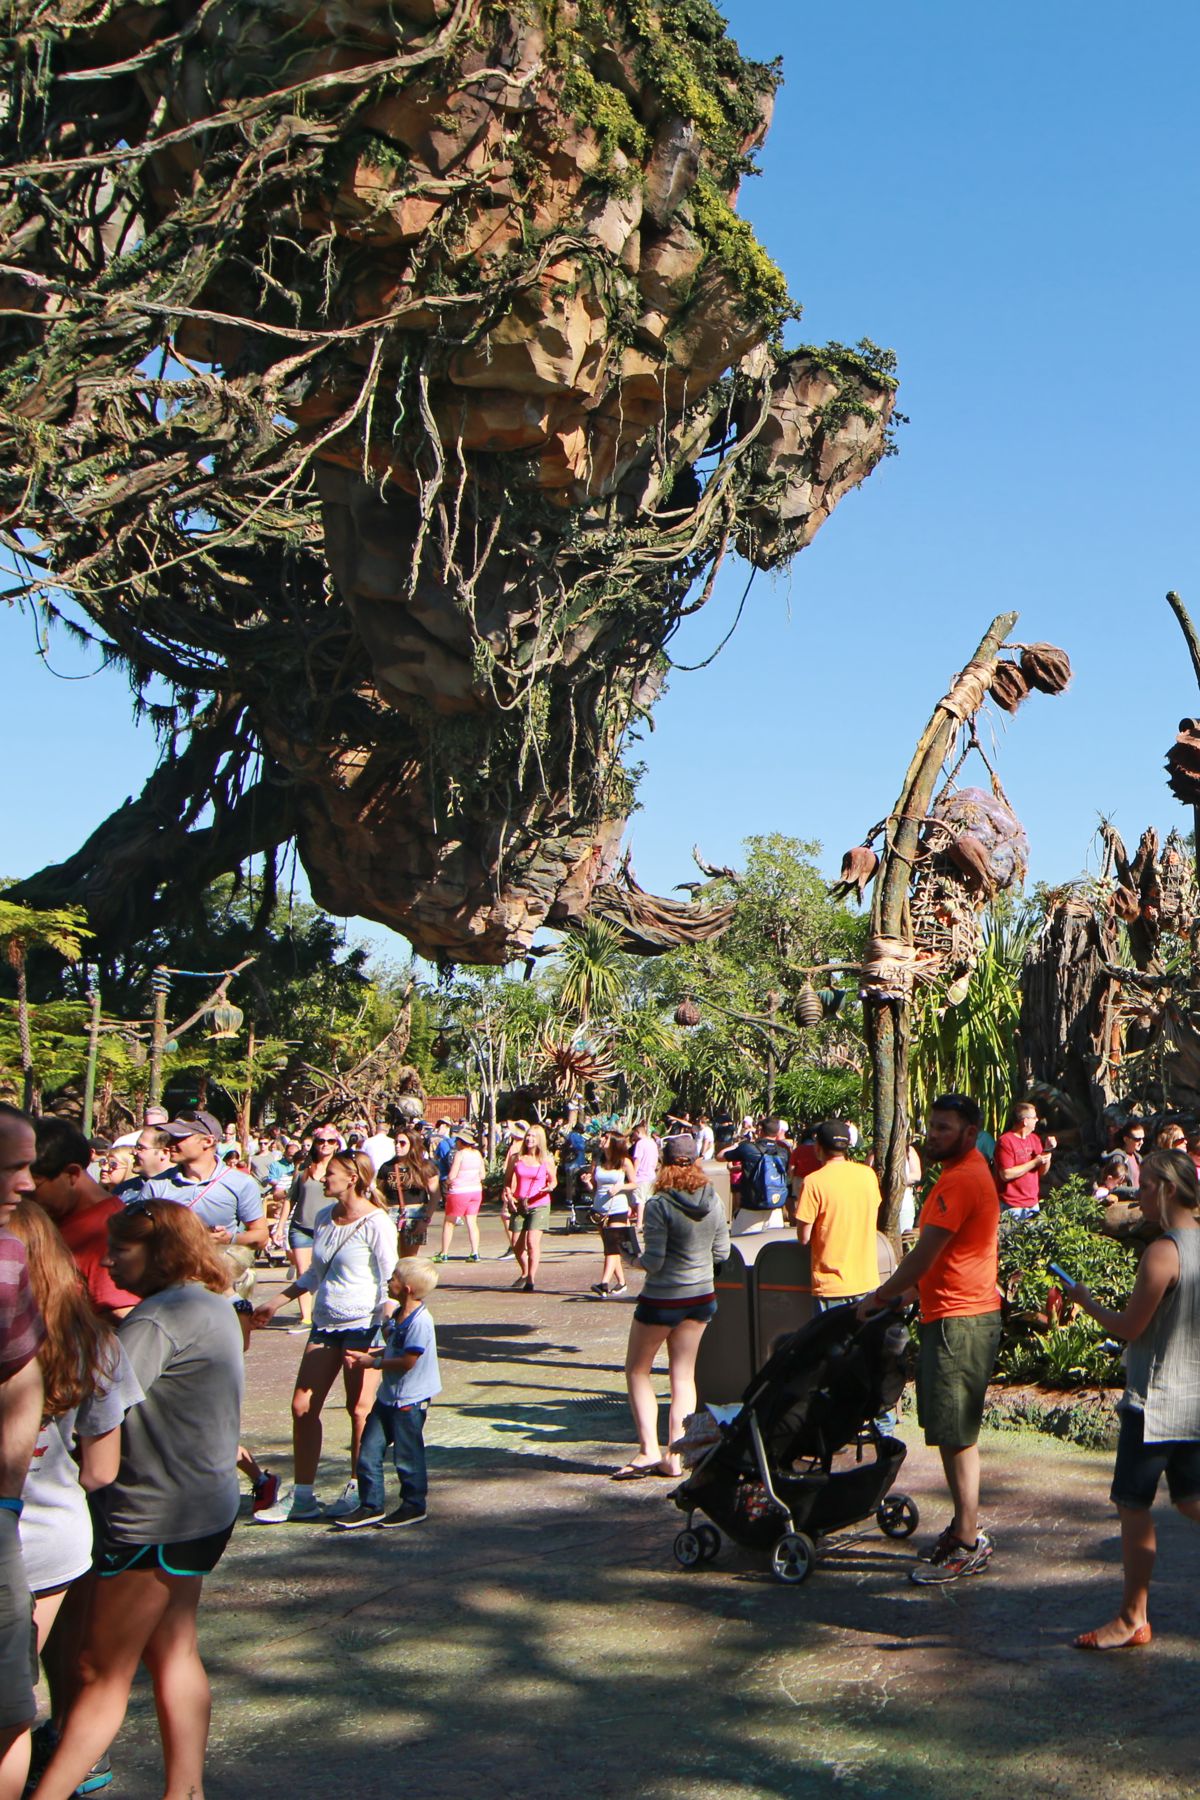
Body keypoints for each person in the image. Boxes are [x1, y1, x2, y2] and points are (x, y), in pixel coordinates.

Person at [32, 1200, 243, 1800]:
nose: (110, 1261)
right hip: (203, 1509)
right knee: (174, 1651)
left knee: (100, 1671)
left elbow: (100, 1402)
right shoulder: (211, 1303)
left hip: (151, 1514)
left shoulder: (158, 1318)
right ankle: (186, 1790)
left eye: (121, 1250)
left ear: (159, 1253)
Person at [7, 1202, 143, 1797]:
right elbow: (101, 1470)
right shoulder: (93, 1344)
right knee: (15, 1691)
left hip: (26, 1536)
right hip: (51, 1538)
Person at [859, 1093, 1001, 1585]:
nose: (934, 1134)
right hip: (954, 1313)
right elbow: (947, 1260)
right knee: (948, 1429)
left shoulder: (961, 1179)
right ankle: (963, 1530)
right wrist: (911, 1294)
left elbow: (925, 1254)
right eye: (932, 1126)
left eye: (945, 1127)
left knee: (957, 1434)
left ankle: (966, 1539)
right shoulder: (964, 1172)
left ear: (970, 1131)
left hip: (960, 1321)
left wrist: (882, 1294)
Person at [1065, 1148, 1200, 1649]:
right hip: (1196, 1401)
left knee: (1133, 1505)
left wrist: (1085, 1301)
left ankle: (1132, 1617)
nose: (1136, 1194)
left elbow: (1128, 1328)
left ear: (1166, 1190)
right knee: (1190, 1501)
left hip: (1156, 1402)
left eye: (1144, 1186)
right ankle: (1131, 1616)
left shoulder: (1163, 1252)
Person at [251, 1150, 398, 1523]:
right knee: (302, 1406)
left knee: (359, 1411)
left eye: (330, 1174)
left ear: (352, 1178)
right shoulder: (322, 1217)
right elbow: (314, 1275)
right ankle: (303, 1495)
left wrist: (385, 1327)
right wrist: (274, 1303)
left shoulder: (377, 1222)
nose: (322, 1180)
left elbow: (390, 1280)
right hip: (326, 1323)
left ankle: (359, 1487)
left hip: (364, 1324)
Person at [614, 1134, 729, 1480]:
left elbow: (654, 1260)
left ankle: (648, 1451)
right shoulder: (714, 1200)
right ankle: (676, 1456)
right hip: (701, 1297)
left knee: (637, 1370)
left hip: (663, 1299)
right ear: (696, 1161)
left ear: (664, 1163)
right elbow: (721, 1254)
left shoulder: (659, 1204)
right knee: (683, 1376)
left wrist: (629, 1258)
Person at [0, 1104, 46, 1800]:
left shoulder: (10, 1255)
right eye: (13, 1167)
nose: (31, 1183)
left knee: (10, 1708)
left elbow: (22, 1374)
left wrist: (8, 1498)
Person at [334, 1258, 442, 1530]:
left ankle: (413, 1504)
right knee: (368, 1451)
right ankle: (371, 1505)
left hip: (409, 1400)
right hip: (388, 1396)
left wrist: (374, 1363)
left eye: (393, 1277)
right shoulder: (398, 1316)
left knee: (407, 1455)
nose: (388, 1280)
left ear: (405, 1288)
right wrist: (371, 1354)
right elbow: (395, 1350)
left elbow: (408, 1361)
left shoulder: (419, 1322)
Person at [138, 1110, 268, 1296]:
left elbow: (261, 1236)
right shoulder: (156, 1186)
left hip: (218, 1287)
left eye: (179, 1138)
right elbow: (138, 1236)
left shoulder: (241, 1183)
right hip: (168, 1288)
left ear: (207, 1141)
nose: (170, 1143)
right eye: (170, 1137)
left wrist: (229, 1239)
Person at [29, 1116, 140, 1320]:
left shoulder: (108, 1232)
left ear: (72, 1174)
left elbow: (123, 1318)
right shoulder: (54, 1218)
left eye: (34, 1186)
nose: (23, 1194)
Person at [795, 1120, 882, 1308]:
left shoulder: (813, 1182)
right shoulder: (867, 1175)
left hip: (831, 1285)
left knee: (831, 1338)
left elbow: (803, 1237)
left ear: (818, 1147)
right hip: (866, 1279)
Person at [284, 1126, 342, 1330]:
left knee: (329, 1272)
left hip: (330, 1227)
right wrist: (280, 1225)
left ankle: (328, 1313)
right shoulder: (303, 1171)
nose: (325, 1145)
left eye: (330, 1141)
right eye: (321, 1141)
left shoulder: (342, 1170)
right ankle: (306, 1318)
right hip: (301, 1227)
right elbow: (291, 1199)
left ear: (337, 1145)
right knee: (303, 1272)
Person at [504, 1126, 556, 1292]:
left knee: (532, 1242)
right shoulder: (516, 1158)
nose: (529, 1139)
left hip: (539, 1203)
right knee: (516, 1245)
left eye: (533, 1136)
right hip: (519, 1203)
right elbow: (506, 1181)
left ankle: (531, 1279)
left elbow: (553, 1181)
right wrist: (508, 1194)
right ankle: (525, 1271)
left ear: (540, 1139)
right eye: (528, 1136)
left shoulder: (546, 1160)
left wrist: (550, 1188)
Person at [586, 1131, 636, 1298]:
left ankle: (604, 1283)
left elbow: (634, 1183)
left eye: (606, 1138)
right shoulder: (597, 1161)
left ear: (614, 1142)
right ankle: (621, 1282)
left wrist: (620, 1187)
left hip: (618, 1208)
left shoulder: (624, 1162)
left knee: (612, 1246)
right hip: (600, 1209)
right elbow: (593, 1186)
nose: (602, 1140)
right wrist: (587, 1182)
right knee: (610, 1247)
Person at [376, 1128, 440, 1255]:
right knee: (389, 1255)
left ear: (413, 1144)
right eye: (396, 1142)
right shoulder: (386, 1167)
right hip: (390, 1214)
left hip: (415, 1214)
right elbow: (379, 1193)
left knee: (409, 1259)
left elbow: (435, 1196)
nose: (397, 1146)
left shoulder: (425, 1167)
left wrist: (426, 1220)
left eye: (402, 1143)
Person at [723, 1116, 791, 1234]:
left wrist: (735, 1146)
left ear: (760, 1130)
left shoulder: (748, 1148)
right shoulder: (783, 1152)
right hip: (775, 1210)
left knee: (741, 1248)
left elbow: (720, 1156)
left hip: (750, 1211)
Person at [434, 1126, 485, 1263]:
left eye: (457, 1140)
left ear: (462, 1142)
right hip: (475, 1191)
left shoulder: (460, 1155)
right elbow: (483, 1175)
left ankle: (444, 1253)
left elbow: (452, 1174)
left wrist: (449, 1182)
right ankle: (475, 1252)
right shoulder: (477, 1154)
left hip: (459, 1192)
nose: (455, 1142)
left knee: (449, 1222)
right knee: (472, 1222)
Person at [994, 1101, 1052, 1222]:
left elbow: (1042, 1172)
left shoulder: (1034, 1139)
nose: (1037, 1120)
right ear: (1025, 1121)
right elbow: (1006, 1174)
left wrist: (1047, 1151)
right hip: (1012, 1206)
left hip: (1033, 1204)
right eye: (1034, 1117)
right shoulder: (1005, 1141)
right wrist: (1034, 1162)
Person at [553, 1117, 588, 1231]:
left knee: (575, 1182)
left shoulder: (575, 1136)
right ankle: (570, 1199)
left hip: (578, 1161)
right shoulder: (574, 1136)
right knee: (571, 1182)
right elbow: (580, 1147)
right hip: (574, 1162)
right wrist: (586, 1146)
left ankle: (575, 1198)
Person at [629, 1122, 660, 1219]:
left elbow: (637, 1160)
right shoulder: (653, 1143)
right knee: (649, 1200)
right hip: (651, 1175)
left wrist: (632, 1174)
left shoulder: (640, 1144)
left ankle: (639, 1223)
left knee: (639, 1201)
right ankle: (648, 1221)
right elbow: (656, 1160)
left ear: (638, 1132)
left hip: (640, 1176)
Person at [1118, 1121, 1146, 1190]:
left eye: (1142, 1139)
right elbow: (1114, 1187)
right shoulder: (1119, 1158)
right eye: (1137, 1139)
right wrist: (1134, 1192)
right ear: (1126, 1139)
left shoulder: (1138, 1158)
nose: (1141, 1142)